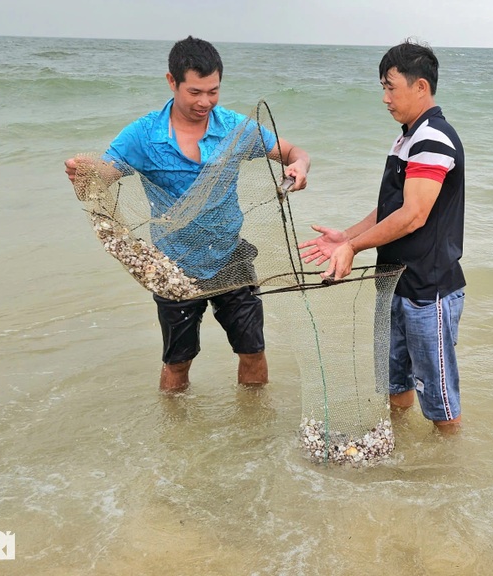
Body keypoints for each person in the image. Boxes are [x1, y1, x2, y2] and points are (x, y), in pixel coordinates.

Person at [64, 36, 311, 391]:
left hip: (231, 257)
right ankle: (175, 440)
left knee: (253, 352)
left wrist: (299, 167)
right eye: (195, 92)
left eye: (213, 91)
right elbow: (106, 175)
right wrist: (84, 173)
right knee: (177, 363)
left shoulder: (234, 128)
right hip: (172, 265)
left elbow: (292, 152)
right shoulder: (143, 135)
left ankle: (254, 432)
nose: (205, 101)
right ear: (171, 82)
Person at [297, 40, 466, 434]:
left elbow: (413, 215)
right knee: (396, 383)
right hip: (393, 282)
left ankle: (448, 478)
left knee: (440, 402)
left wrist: (353, 248)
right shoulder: (408, 137)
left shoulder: (433, 138)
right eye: (382, 88)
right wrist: (346, 235)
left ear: (420, 87)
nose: (385, 98)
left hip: (428, 290)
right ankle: (397, 448)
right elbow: (393, 208)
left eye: (391, 87)